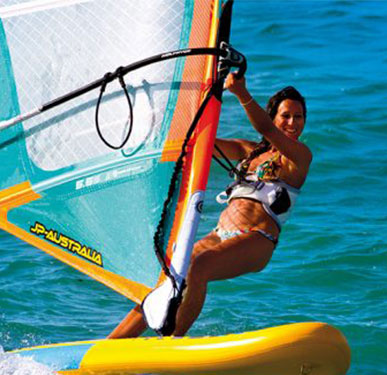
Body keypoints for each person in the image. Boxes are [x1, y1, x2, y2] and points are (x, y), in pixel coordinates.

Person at [108, 72, 312, 339]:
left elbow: (266, 130)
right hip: (220, 235)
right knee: (168, 277)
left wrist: (240, 92)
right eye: (286, 116)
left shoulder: (299, 157)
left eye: (298, 117)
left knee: (199, 267)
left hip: (257, 239)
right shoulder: (249, 152)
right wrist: (158, 123)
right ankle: (113, 343)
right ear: (274, 116)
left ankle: (172, 342)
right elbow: (200, 144)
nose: (293, 123)